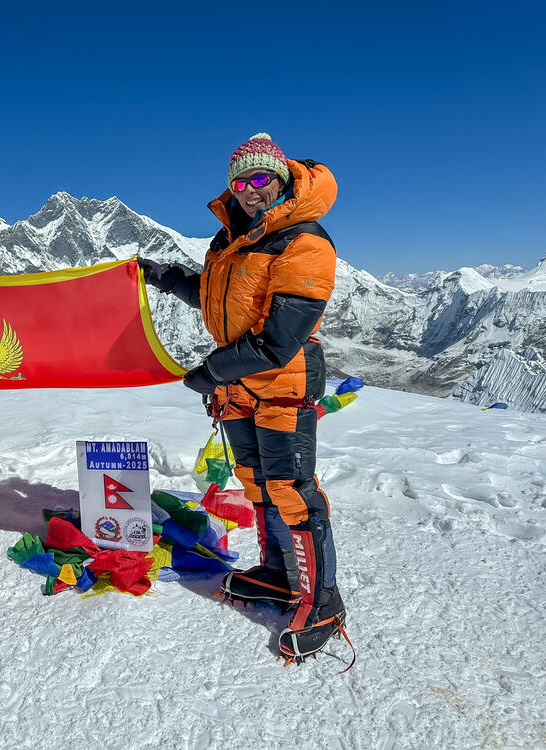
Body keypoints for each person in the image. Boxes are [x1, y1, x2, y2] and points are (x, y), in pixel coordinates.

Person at [139, 133, 346, 663]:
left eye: (261, 178)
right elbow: (218, 298)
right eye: (241, 181)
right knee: (257, 483)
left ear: (280, 179)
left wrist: (210, 372)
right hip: (238, 384)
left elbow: (278, 341)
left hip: (282, 381)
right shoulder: (234, 237)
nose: (251, 190)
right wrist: (166, 279)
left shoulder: (304, 241)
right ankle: (278, 573)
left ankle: (324, 603)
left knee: (291, 490)